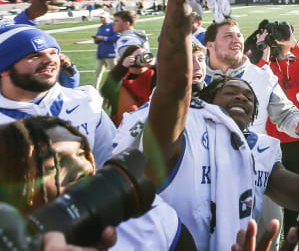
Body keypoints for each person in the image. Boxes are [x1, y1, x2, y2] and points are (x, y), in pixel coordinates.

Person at [113, 0, 299, 251]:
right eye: (231, 93)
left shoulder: (255, 146)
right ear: (207, 102)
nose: (242, 96)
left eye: (249, 98)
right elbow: (173, 91)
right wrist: (177, 5)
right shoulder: (185, 122)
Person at [0, 116, 196, 251]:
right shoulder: (10, 238)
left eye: (81, 154)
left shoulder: (149, 218)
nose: (81, 168)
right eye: (55, 165)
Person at [0, 23, 115, 166]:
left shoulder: (85, 101)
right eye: (34, 56)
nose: (50, 60)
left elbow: (110, 159)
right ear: (4, 68)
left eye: (53, 52)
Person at [256, 21, 299, 236]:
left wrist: (295, 45)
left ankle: (290, 237)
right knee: (267, 193)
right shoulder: (265, 64)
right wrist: (263, 49)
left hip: (298, 137)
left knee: (293, 196)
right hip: (271, 139)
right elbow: (255, 80)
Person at [100, 44, 156, 126]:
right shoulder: (118, 74)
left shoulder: (152, 73)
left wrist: (155, 66)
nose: (142, 59)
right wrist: (123, 68)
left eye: (144, 55)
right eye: (137, 57)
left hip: (149, 119)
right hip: (125, 122)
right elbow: (106, 92)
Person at [93, 11, 120, 89]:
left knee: (114, 74)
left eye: (103, 18)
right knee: (97, 73)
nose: (102, 19)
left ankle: (118, 89)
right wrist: (96, 39)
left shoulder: (113, 25)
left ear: (108, 17)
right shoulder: (101, 27)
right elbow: (98, 38)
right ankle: (94, 90)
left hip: (111, 53)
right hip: (101, 54)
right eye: (101, 18)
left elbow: (117, 37)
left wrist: (104, 38)